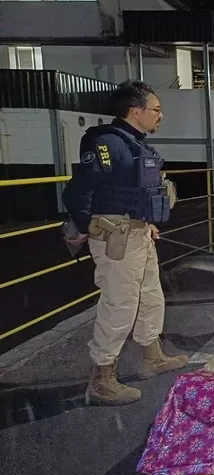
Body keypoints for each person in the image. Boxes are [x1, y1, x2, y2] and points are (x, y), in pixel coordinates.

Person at [62, 81, 188, 406]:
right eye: (156, 109)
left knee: (149, 296)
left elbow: (136, 192)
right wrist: (84, 222)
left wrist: (145, 223)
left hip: (138, 233)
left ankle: (152, 356)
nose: (161, 116)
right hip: (116, 237)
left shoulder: (134, 145)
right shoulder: (108, 144)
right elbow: (78, 191)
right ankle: (102, 379)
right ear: (136, 111)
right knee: (120, 304)